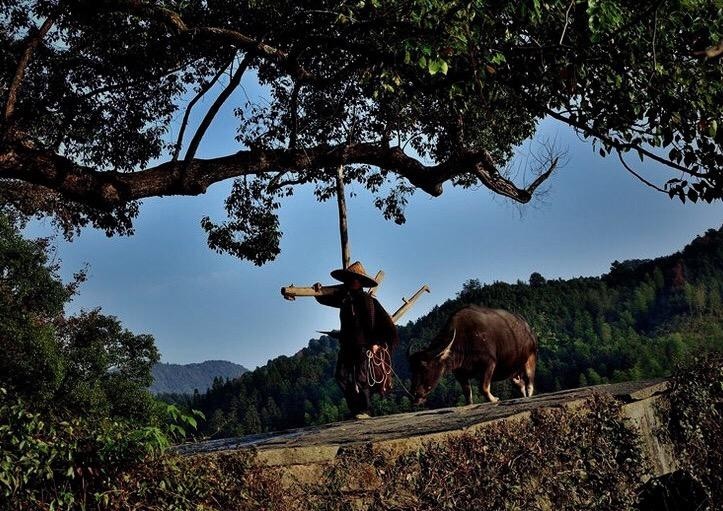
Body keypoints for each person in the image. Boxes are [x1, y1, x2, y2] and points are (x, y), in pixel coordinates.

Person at [315, 261, 399, 419]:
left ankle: (365, 410)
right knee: (340, 376)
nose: (348, 282)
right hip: (346, 345)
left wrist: (376, 342)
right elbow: (325, 299)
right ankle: (355, 409)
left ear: (358, 281)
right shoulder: (345, 299)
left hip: (363, 346)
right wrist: (316, 292)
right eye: (347, 279)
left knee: (361, 378)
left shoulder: (367, 300)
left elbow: (382, 325)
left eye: (351, 279)